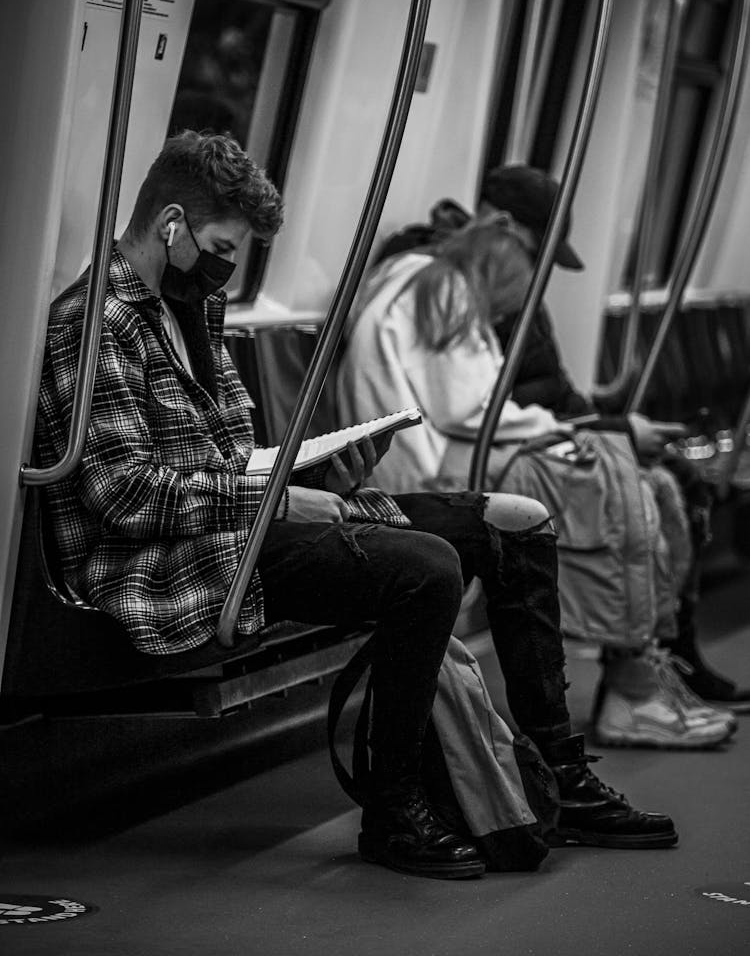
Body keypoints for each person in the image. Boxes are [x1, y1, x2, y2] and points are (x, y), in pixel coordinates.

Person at [36, 131, 679, 882]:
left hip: (236, 523)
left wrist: (324, 475)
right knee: (426, 570)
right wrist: (274, 502)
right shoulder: (96, 323)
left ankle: (560, 775)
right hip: (163, 563)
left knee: (510, 524)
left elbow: (235, 447)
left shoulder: (194, 309)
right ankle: (395, 810)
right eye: (220, 246)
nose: (226, 268)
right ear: (170, 223)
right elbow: (125, 495)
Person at [337, 206, 736, 750]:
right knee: (610, 482)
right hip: (428, 463)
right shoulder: (442, 289)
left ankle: (640, 673)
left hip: (442, 448)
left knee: (637, 481)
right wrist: (553, 428)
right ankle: (631, 690)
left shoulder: (420, 279)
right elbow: (467, 406)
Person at [480, 163, 750, 714]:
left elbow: (547, 392)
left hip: (556, 432)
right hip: (534, 448)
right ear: (502, 226)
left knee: (677, 478)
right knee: (657, 486)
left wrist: (606, 411)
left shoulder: (514, 290)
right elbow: (501, 411)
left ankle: (666, 650)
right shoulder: (488, 291)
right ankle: (643, 666)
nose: (536, 267)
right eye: (534, 248)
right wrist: (619, 429)